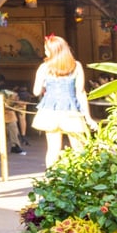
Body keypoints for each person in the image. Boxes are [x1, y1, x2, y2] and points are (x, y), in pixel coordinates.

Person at [31, 34, 97, 167]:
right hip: (71, 110)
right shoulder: (76, 66)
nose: (44, 51)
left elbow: (36, 91)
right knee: (79, 148)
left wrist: (45, 86)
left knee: (53, 149)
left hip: (50, 110)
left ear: (52, 51)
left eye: (46, 49)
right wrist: (88, 117)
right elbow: (80, 92)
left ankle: (51, 181)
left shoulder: (44, 67)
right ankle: (81, 179)